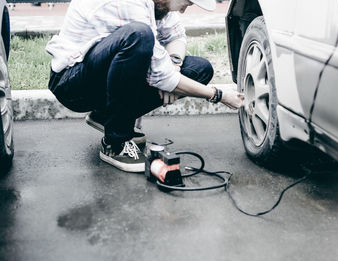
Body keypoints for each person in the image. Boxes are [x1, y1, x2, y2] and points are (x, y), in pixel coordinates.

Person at [46, 0, 245, 173]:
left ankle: (106, 116)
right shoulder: (131, 3)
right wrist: (219, 95)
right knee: (139, 35)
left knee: (199, 69)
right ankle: (115, 144)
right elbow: (159, 74)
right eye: (186, 3)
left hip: (100, 75)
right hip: (72, 82)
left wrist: (175, 66)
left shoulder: (160, 4)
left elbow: (176, 36)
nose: (183, 10)